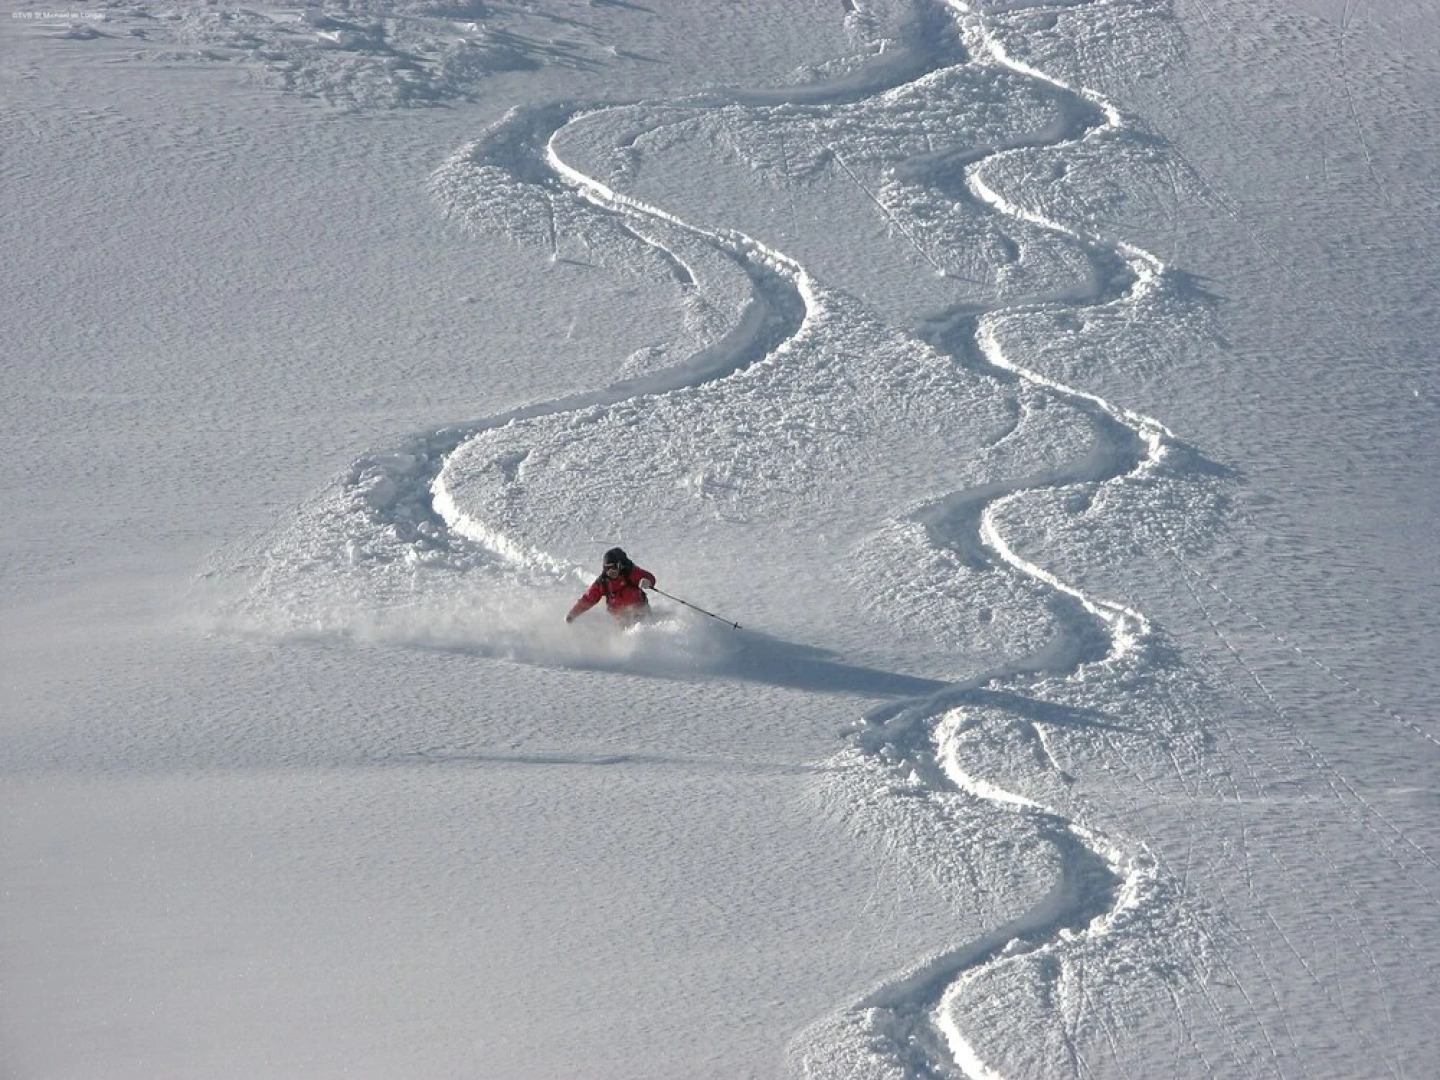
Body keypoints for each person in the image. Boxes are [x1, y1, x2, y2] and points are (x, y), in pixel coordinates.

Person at [566, 547, 656, 627]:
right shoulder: (603, 582)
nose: (610, 571)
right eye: (607, 568)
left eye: (613, 567)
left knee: (641, 627)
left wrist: (647, 581)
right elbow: (588, 599)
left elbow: (650, 577)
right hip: (620, 618)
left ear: (619, 565)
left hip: (640, 611)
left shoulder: (630, 572)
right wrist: (573, 614)